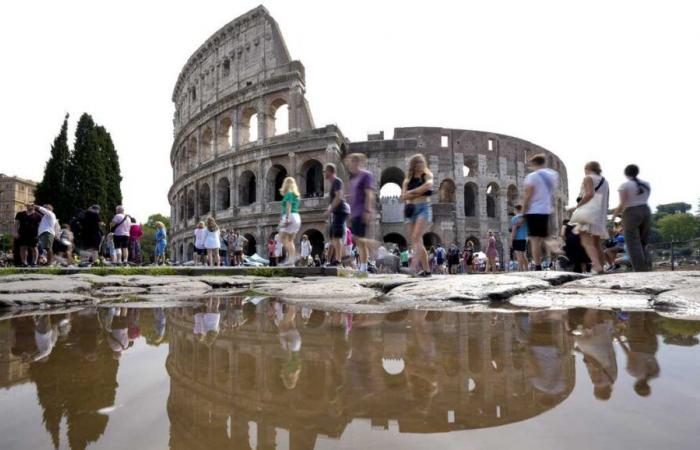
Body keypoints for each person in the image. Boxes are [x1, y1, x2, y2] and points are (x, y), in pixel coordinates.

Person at [569, 161, 609, 274]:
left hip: (588, 211)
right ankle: (602, 266)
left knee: (586, 241)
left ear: (587, 168)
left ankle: (597, 267)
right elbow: (606, 201)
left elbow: (589, 194)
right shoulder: (605, 181)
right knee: (596, 243)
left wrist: (577, 206)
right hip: (600, 213)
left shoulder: (588, 178)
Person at [522, 154, 560, 271]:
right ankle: (560, 252)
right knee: (547, 237)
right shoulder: (553, 175)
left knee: (535, 241)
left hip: (533, 211)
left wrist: (524, 211)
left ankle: (538, 266)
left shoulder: (532, 177)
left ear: (534, 164)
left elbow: (528, 196)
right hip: (546, 210)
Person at [613, 164, 652, 272]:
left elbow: (623, 203)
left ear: (626, 173)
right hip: (646, 210)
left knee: (632, 243)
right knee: (643, 241)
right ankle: (648, 266)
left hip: (631, 212)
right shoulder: (646, 184)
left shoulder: (625, 185)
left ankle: (640, 269)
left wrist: (615, 215)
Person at [401, 154, 433, 277]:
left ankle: (413, 267)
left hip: (423, 208)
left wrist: (411, 193)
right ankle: (427, 270)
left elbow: (428, 186)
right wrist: (419, 192)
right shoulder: (407, 180)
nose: (420, 164)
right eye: (418, 162)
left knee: (416, 237)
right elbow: (403, 196)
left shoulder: (427, 175)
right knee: (417, 241)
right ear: (413, 165)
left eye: (422, 162)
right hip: (410, 210)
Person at [345, 153, 376, 277]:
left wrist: (368, 210)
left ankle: (373, 245)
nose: (348, 165)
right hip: (355, 213)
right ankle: (363, 268)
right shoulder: (353, 179)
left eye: (350, 162)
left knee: (358, 240)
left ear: (356, 162)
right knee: (358, 242)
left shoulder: (366, 175)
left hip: (362, 211)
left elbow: (369, 193)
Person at [324, 163, 349, 266]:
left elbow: (339, 196)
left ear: (329, 171)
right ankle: (337, 259)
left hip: (340, 211)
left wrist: (330, 208)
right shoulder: (334, 182)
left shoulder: (337, 181)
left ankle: (338, 260)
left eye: (325, 171)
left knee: (337, 236)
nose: (324, 173)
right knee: (334, 237)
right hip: (338, 212)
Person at [278, 177, 301, 266]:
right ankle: (291, 261)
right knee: (290, 240)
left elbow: (288, 206)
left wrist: (287, 218)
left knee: (281, 238)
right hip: (297, 217)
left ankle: (293, 256)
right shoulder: (296, 195)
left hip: (289, 216)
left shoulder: (288, 194)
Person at [510, 205, 529, 271]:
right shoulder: (525, 218)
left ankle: (521, 270)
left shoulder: (514, 218)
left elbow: (514, 230)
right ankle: (527, 269)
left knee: (518, 255)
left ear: (516, 210)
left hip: (517, 238)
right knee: (523, 255)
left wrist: (511, 240)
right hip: (524, 238)